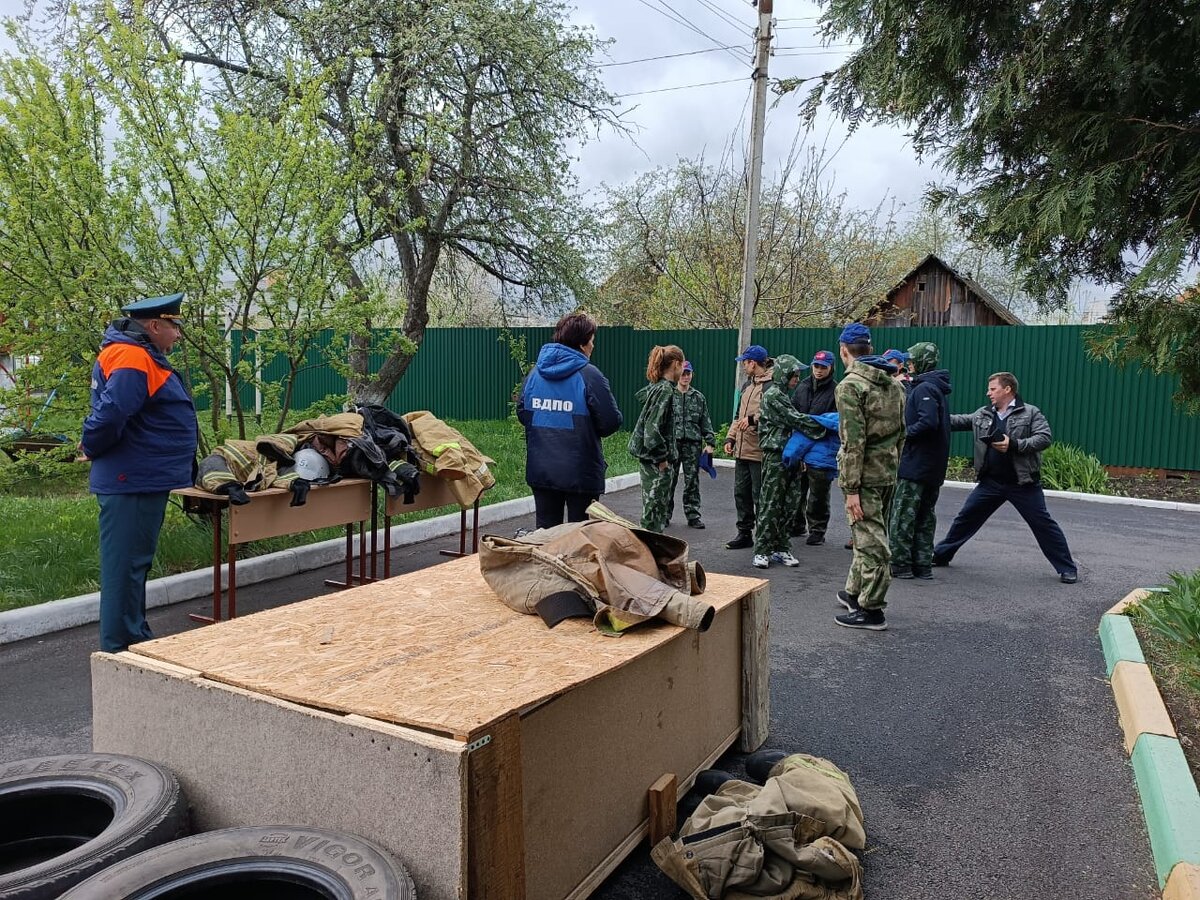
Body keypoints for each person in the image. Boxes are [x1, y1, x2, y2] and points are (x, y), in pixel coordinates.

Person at [81, 292, 198, 653]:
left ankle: (132, 636)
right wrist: (90, 445)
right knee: (125, 566)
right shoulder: (132, 355)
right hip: (130, 478)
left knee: (134, 563)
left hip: (140, 476)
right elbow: (114, 412)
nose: (178, 334)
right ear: (154, 325)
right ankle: (120, 646)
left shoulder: (138, 354)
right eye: (174, 326)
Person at [933, 372, 1079, 583]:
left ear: (1007, 389)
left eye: (992, 389)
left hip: (1023, 483)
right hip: (991, 482)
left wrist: (1015, 444)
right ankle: (942, 555)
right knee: (966, 518)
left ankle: (1067, 568)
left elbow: (1044, 438)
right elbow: (956, 421)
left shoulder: (1030, 413)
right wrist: (929, 413)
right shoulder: (983, 414)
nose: (988, 393)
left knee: (1043, 525)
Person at [518, 312, 623, 529]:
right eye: (592, 341)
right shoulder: (589, 375)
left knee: (546, 539)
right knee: (582, 539)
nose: (593, 346)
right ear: (582, 343)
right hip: (581, 474)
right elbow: (610, 422)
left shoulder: (534, 375)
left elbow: (523, 414)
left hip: (542, 471)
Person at [833, 323, 906, 631]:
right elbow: (902, 433)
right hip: (887, 472)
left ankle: (872, 609)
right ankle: (854, 592)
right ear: (870, 350)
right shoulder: (895, 385)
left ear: (844, 351)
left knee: (872, 543)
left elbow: (853, 442)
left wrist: (851, 489)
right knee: (866, 535)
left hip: (863, 476)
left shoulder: (850, 387)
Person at [889, 342, 952, 580]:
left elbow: (928, 422)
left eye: (913, 359)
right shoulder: (936, 388)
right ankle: (922, 564)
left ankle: (900, 563)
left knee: (904, 514)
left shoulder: (925, 388)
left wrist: (902, 433)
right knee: (926, 516)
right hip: (933, 466)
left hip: (916, 464)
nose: (910, 364)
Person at [752, 354, 809, 569]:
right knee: (771, 502)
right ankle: (762, 550)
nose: (797, 379)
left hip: (791, 455)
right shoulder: (774, 395)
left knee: (790, 502)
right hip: (776, 455)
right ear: (784, 374)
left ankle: (781, 547)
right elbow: (795, 419)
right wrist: (823, 425)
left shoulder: (785, 395)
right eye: (794, 374)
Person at [628, 344, 686, 533]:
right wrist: (662, 460)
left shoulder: (658, 387)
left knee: (653, 511)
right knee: (653, 516)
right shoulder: (665, 391)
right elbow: (651, 432)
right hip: (656, 462)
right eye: (683, 365)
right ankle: (648, 557)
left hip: (651, 459)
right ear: (676, 364)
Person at [722, 345, 774, 549]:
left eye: (745, 362)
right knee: (741, 494)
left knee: (760, 496)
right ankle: (744, 534)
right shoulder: (747, 386)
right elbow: (738, 417)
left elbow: (774, 413)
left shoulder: (771, 386)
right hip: (742, 451)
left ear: (753, 363)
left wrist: (754, 420)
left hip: (760, 452)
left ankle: (764, 536)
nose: (743, 366)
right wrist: (730, 438)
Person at [790, 349, 838, 546]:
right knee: (797, 487)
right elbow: (794, 412)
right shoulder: (803, 386)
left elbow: (834, 419)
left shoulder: (836, 390)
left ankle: (817, 528)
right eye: (816, 366)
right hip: (801, 443)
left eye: (823, 367)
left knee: (818, 491)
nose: (818, 370)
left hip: (822, 446)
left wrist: (812, 422)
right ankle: (797, 523)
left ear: (831, 368)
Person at [670, 361, 715, 529]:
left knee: (692, 481)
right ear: (677, 375)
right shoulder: (669, 395)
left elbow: (705, 421)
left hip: (692, 445)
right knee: (669, 480)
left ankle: (693, 515)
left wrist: (710, 442)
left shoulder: (698, 397)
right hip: (672, 444)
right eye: (683, 373)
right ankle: (664, 514)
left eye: (688, 373)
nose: (686, 376)